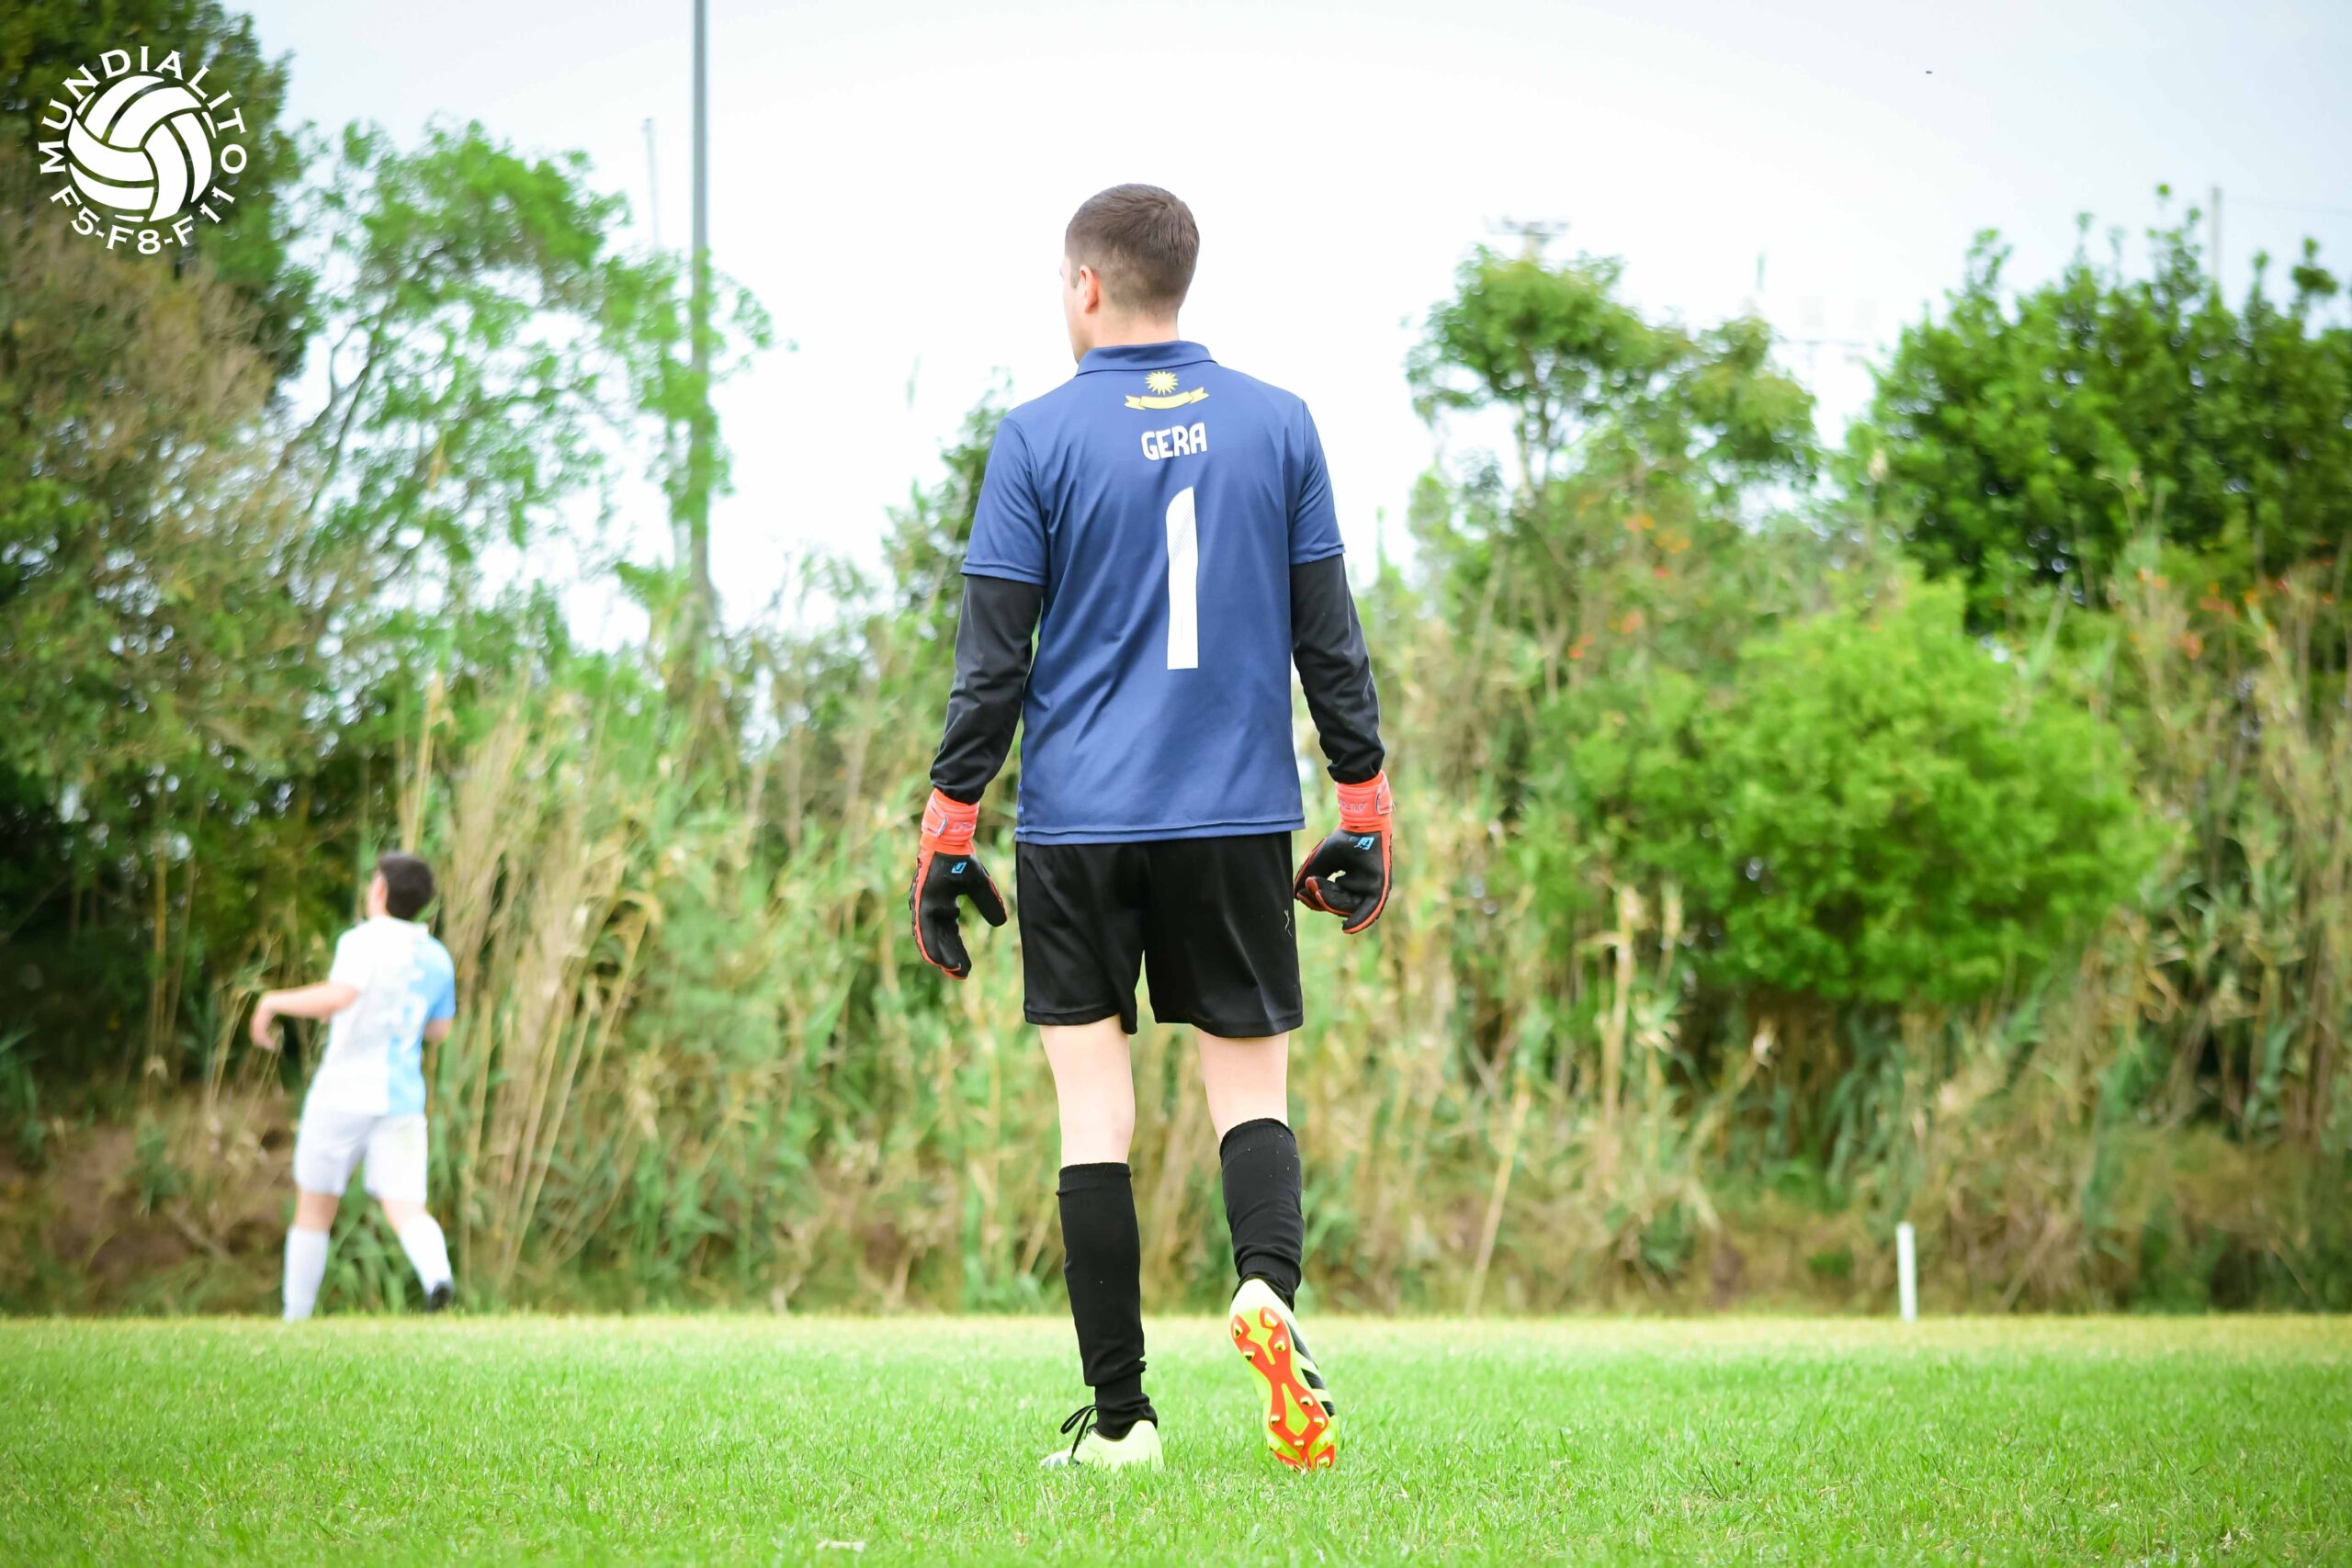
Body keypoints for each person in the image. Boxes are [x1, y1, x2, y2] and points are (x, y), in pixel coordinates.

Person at [908, 184, 1392, 1472]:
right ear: (1183, 279)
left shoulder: (1034, 436)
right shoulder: (1280, 423)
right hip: (1235, 815)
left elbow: (991, 667)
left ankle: (1121, 1421)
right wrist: (1363, 803)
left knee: (1093, 1118)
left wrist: (948, 828)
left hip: (1080, 824)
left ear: (1084, 286)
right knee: (1251, 1092)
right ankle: (1266, 1287)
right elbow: (1329, 639)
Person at [251, 851, 459, 1320]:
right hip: (402, 1099)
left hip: (344, 1092)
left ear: (380, 890)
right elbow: (439, 1030)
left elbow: (339, 997)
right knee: (406, 1205)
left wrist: (272, 1001)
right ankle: (437, 1276)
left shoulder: (363, 940)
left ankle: (296, 1316)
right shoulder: (437, 957)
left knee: (315, 1206)